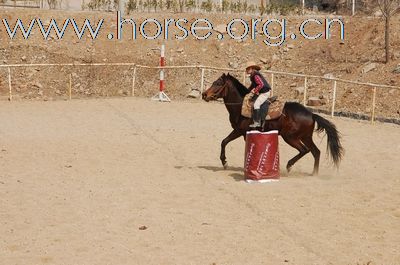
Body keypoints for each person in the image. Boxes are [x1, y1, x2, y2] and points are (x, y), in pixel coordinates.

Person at [245, 61, 271, 128]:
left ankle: (257, 122)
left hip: (265, 93)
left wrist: (255, 91)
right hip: (262, 92)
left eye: (247, 69)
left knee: (256, 104)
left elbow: (261, 84)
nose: (246, 70)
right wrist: (246, 91)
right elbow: (252, 86)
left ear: (251, 68)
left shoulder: (255, 75)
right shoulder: (253, 75)